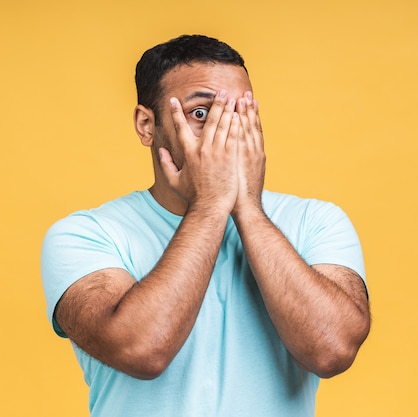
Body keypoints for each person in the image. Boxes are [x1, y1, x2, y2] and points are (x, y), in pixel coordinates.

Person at [41, 34, 370, 417]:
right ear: (147, 125)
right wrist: (212, 204)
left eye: (240, 114)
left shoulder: (316, 222)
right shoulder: (85, 235)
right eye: (202, 113)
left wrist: (247, 208)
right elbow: (142, 349)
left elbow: (333, 350)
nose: (226, 132)